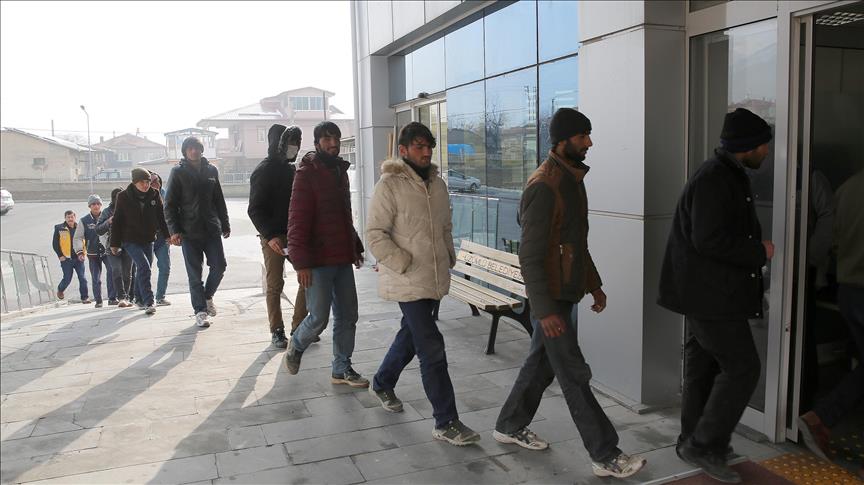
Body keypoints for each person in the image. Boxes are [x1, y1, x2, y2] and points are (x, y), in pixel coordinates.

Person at [494, 108, 646, 479]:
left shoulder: (571, 179)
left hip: (563, 293)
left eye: (588, 134)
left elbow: (575, 243)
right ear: (562, 140)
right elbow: (529, 256)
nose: (589, 142)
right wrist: (545, 311)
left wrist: (594, 284)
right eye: (582, 136)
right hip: (550, 298)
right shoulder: (545, 186)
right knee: (573, 373)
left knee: (541, 363)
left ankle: (509, 424)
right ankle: (605, 453)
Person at [658, 107, 774, 484]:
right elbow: (708, 239)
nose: (767, 151)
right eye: (764, 145)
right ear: (748, 146)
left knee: (703, 366)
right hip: (710, 296)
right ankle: (705, 445)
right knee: (743, 367)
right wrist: (759, 251)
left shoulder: (726, 174)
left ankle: (692, 439)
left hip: (704, 292)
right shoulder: (715, 178)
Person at [366, 122, 480, 445]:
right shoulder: (389, 185)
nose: (426, 152)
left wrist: (449, 255)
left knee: (411, 335)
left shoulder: (438, 185)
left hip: (434, 275)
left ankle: (382, 381)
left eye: (429, 146)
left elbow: (444, 227)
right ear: (403, 150)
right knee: (431, 346)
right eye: (419, 146)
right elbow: (374, 234)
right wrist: (402, 261)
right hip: (407, 278)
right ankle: (446, 421)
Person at [283, 121, 367, 388]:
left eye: (336, 139)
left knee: (348, 316)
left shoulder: (340, 171)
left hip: (341, 257)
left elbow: (344, 216)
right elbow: (297, 221)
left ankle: (341, 368)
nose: (333, 143)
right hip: (317, 261)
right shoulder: (306, 173)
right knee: (318, 318)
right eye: (327, 139)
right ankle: (296, 344)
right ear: (317, 142)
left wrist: (355, 247)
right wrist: (301, 264)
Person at [798, 166, 863, 475]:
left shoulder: (848, 187)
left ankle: (820, 417)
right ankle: (820, 417)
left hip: (850, 290)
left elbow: (834, 241)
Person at [248, 124, 311, 349]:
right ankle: (276, 330)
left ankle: (299, 326)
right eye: (290, 142)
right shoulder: (263, 171)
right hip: (273, 238)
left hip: (295, 234)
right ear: (278, 143)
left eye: (297, 143)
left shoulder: (292, 170)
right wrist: (269, 235)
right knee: (275, 284)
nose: (294, 147)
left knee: (308, 278)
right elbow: (254, 209)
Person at [164, 137, 230, 327]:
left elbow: (219, 199)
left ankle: (207, 296)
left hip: (211, 229)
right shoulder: (178, 172)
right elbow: (169, 205)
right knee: (195, 274)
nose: (193, 151)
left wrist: (225, 223)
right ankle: (200, 311)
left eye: (197, 148)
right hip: (188, 231)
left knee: (219, 266)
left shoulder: (211, 170)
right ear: (185, 152)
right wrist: (174, 230)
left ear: (201, 150)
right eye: (190, 148)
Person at [110, 168, 170, 316]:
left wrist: (167, 235)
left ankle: (138, 298)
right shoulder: (123, 196)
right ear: (134, 182)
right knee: (144, 267)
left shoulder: (154, 194)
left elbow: (161, 217)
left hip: (148, 239)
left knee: (143, 269)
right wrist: (114, 243)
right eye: (142, 182)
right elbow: (117, 221)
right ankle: (149, 302)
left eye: (148, 182)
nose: (146, 185)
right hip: (130, 240)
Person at [74, 194, 113, 308]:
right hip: (92, 253)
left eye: (98, 204)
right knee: (96, 278)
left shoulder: (107, 217)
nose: (96, 206)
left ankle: (112, 298)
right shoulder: (84, 220)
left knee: (112, 273)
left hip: (106, 251)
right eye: (93, 204)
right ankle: (98, 300)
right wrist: (80, 251)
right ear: (89, 206)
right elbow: (78, 237)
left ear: (101, 205)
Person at [97, 188, 133, 307]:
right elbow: (98, 229)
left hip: (128, 245)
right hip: (112, 246)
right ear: (113, 198)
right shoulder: (107, 212)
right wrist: (108, 222)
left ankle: (126, 297)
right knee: (116, 270)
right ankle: (121, 297)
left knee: (127, 273)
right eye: (118, 197)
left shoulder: (130, 209)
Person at [53, 210, 91, 303]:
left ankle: (85, 298)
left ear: (75, 217)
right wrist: (60, 255)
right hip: (66, 259)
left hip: (79, 258)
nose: (70, 219)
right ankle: (60, 290)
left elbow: (86, 241)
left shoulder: (80, 228)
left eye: (72, 217)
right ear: (65, 218)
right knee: (67, 279)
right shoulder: (59, 228)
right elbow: (55, 244)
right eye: (68, 217)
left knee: (82, 278)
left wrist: (84, 253)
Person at [150, 171, 171, 306]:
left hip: (163, 237)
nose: (155, 184)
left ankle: (160, 297)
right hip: (147, 237)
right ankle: (142, 298)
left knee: (165, 266)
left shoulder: (165, 194)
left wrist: (172, 234)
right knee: (144, 268)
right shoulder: (142, 196)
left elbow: (171, 213)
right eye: (152, 182)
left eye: (157, 181)